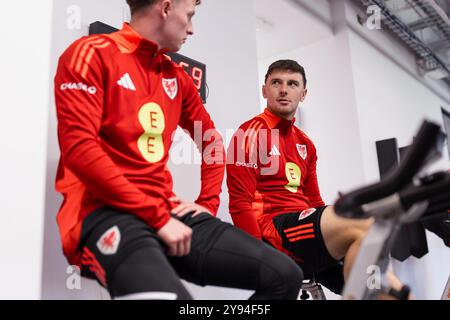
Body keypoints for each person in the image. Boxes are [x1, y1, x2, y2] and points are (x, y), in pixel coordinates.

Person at [54, 0, 303, 300]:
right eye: (190, 16)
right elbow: (80, 151)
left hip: (167, 211)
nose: (192, 28)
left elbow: (211, 141)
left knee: (285, 275)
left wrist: (207, 204)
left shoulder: (177, 77)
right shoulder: (91, 53)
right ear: (166, 7)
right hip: (104, 212)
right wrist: (157, 218)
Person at [226, 59, 404, 295]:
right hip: (275, 231)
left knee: (381, 290)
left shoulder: (305, 144)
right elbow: (239, 202)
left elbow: (314, 200)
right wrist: (257, 257)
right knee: (362, 221)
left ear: (303, 94)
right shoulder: (249, 133)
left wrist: (331, 224)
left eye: (292, 84)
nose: (283, 90)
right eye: (276, 82)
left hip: (307, 233)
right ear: (264, 90)